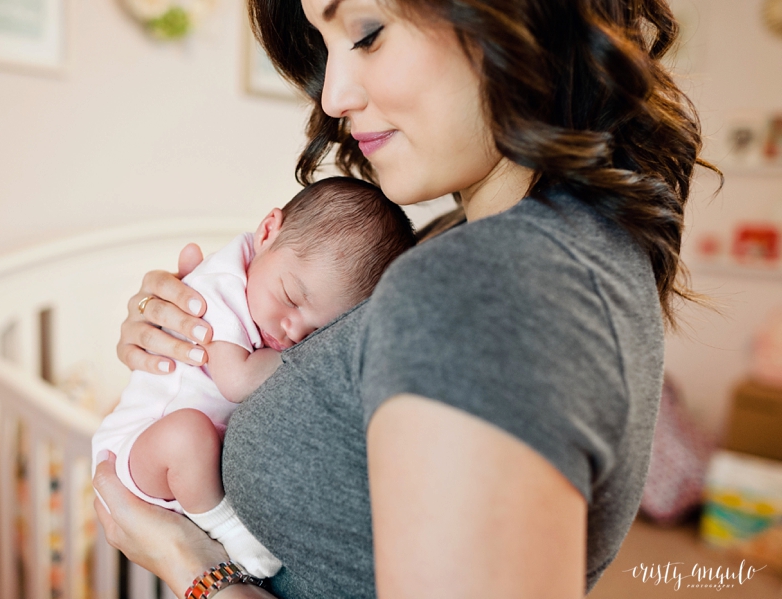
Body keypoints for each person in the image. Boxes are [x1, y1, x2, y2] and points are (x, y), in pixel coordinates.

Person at [93, 0, 719, 597]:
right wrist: (182, 339)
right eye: (325, 46)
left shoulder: (482, 286)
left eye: (366, 33)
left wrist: (188, 564)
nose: (333, 97)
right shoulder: (523, 246)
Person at [92, 176, 415, 578]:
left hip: (176, 469)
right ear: (266, 232)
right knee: (187, 434)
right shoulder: (219, 287)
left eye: (318, 331)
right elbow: (237, 381)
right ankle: (226, 527)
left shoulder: (270, 287)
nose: (293, 331)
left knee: (191, 438)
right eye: (291, 298)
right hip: (136, 451)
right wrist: (310, 353)